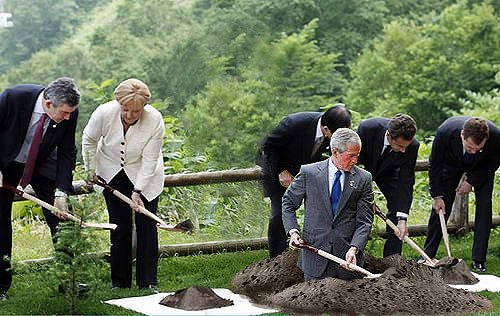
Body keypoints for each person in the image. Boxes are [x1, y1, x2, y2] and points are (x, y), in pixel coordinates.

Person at [0, 77, 80, 301]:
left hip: (42, 160)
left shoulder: (69, 109)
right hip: (6, 160)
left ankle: (68, 280)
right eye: (64, 113)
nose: (68, 117)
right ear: (47, 104)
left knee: (63, 219)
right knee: (0, 222)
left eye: (70, 113)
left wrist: (62, 192)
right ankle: (1, 286)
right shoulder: (13, 97)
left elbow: (66, 150)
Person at [82, 78, 165, 290]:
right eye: (125, 109)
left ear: (144, 108)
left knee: (147, 226)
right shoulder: (103, 113)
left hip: (144, 171)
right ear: (119, 103)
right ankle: (120, 281)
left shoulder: (155, 119)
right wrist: (91, 170)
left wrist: (138, 190)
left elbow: (150, 159)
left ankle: (147, 282)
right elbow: (89, 141)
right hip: (111, 171)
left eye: (136, 112)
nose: (129, 115)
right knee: (119, 225)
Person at [259, 104, 352, 258]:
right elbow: (268, 147)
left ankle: (318, 253)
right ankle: (277, 258)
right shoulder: (294, 123)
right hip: (278, 169)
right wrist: (281, 170)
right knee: (279, 213)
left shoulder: (335, 133)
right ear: (326, 129)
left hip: (307, 172)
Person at [282, 128, 374, 281]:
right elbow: (288, 203)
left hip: (348, 260)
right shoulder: (308, 173)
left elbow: (364, 221)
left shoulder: (363, 179)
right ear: (335, 152)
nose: (355, 161)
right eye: (351, 156)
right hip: (314, 258)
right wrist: (293, 232)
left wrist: (354, 248)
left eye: (357, 156)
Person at [422, 116, 499, 272]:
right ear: (462, 135)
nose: (473, 152)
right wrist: (437, 196)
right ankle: (427, 255)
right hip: (452, 165)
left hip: (482, 168)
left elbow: (494, 162)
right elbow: (435, 164)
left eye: (478, 149)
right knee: (441, 207)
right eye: (470, 148)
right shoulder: (445, 131)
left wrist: (471, 182)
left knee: (484, 207)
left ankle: (479, 260)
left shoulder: (496, 136)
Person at [356, 114, 419, 257]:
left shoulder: (412, 146)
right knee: (359, 207)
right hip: (362, 170)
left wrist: (402, 218)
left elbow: (406, 181)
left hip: (388, 172)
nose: (404, 150)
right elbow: (354, 164)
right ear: (389, 136)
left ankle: (392, 258)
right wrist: (366, 197)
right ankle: (356, 253)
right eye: (400, 146)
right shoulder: (367, 129)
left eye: (406, 147)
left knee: (398, 207)